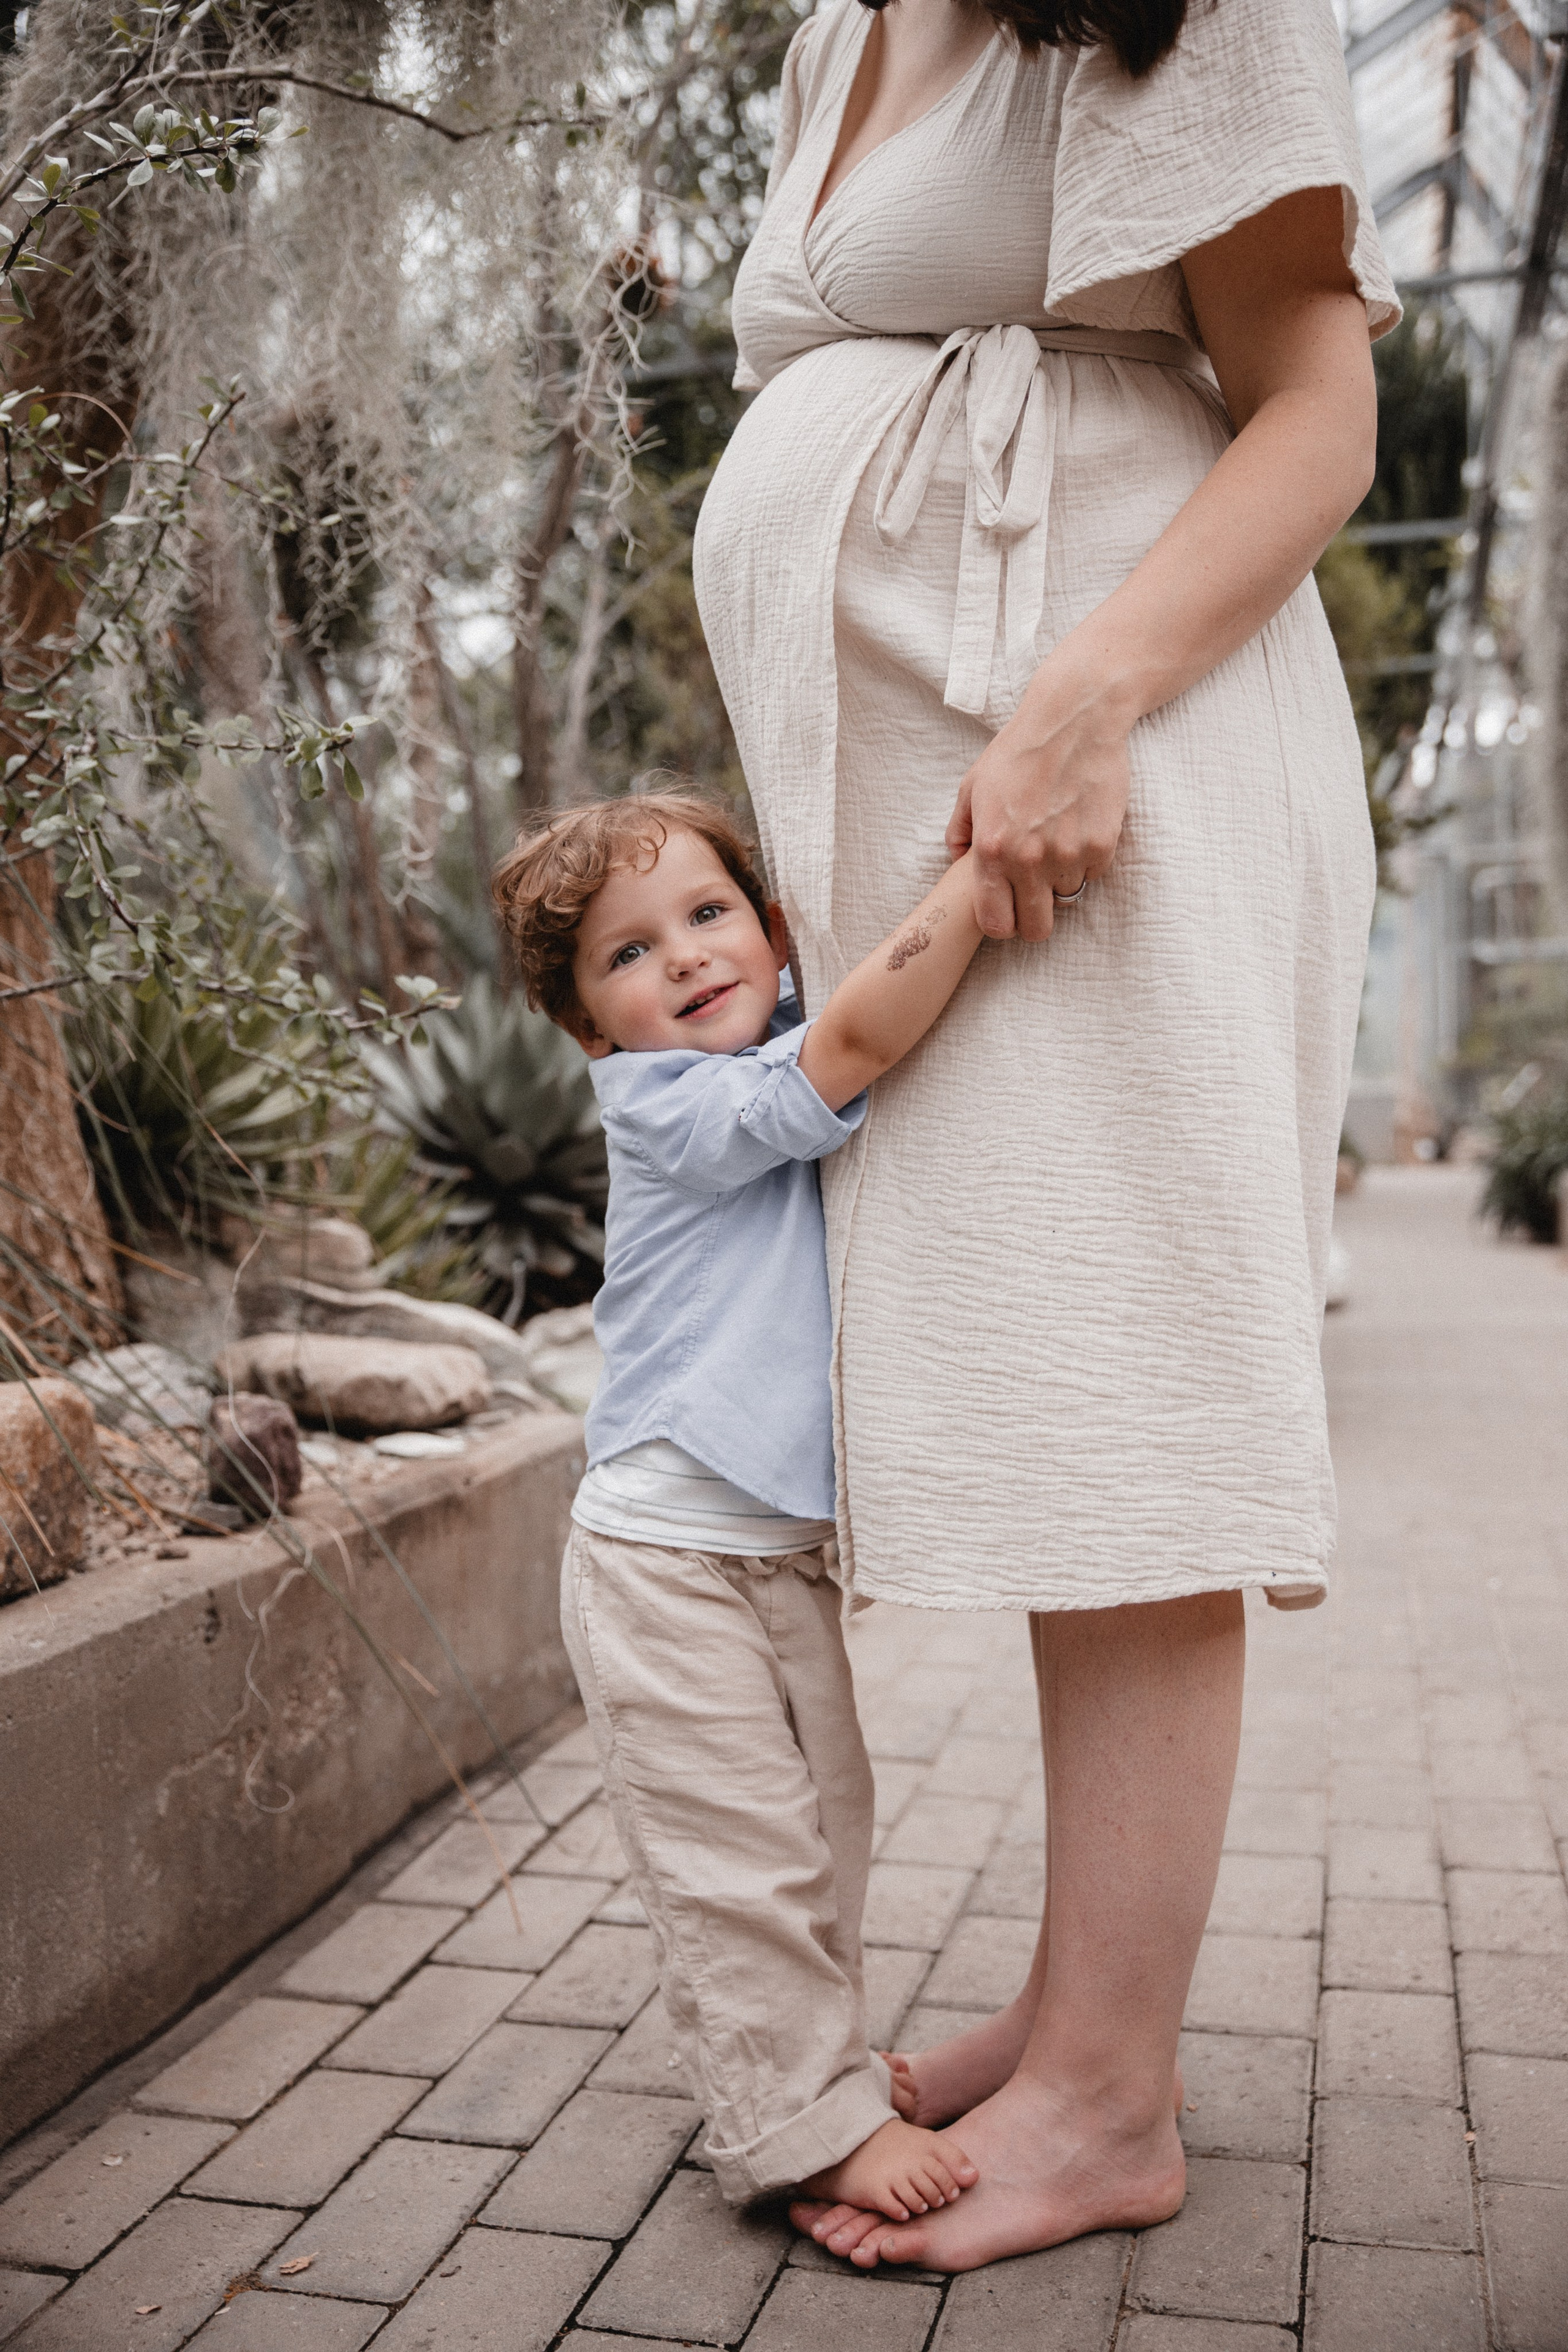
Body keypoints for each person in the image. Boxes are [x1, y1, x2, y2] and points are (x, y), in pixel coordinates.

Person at [691, 0, 1395, 2272]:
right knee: (1052, 1403)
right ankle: (1084, 2005)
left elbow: (1317, 411)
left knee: (1135, 1394)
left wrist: (1081, 705)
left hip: (1111, 793)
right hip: (950, 826)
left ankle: (1111, 2103)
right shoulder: (838, 30)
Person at [492, 789, 990, 2221]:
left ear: (773, 933)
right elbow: (840, 1054)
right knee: (737, 1865)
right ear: (591, 1029)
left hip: (772, 1564)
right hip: (660, 1562)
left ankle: (816, 2064)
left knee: (827, 1830)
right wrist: (975, 876)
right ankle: (798, 2128)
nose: (687, 958)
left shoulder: (770, 1051)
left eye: (709, 915)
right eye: (628, 954)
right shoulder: (667, 1102)